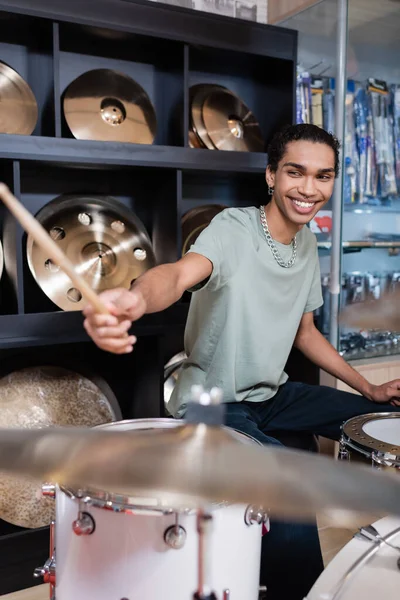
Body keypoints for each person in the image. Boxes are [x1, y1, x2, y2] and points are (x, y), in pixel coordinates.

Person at [83, 123, 400, 600]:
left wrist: (368, 390)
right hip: (212, 403)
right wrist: (134, 298)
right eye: (296, 173)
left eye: (323, 176)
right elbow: (175, 276)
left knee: (383, 420)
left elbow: (305, 332)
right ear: (271, 175)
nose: (309, 189)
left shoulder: (307, 243)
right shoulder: (231, 228)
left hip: (272, 394)